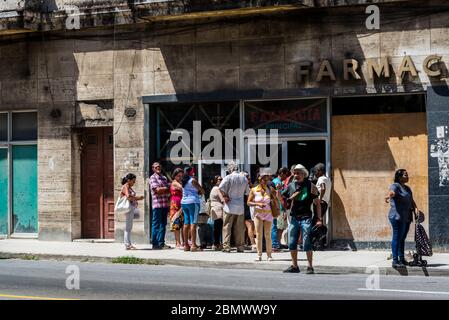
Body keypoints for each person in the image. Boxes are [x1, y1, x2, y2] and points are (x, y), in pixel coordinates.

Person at [283, 164, 322, 274]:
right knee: (291, 242)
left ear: (304, 174)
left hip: (306, 218)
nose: (295, 175)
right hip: (294, 217)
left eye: (298, 173)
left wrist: (319, 218)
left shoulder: (311, 186)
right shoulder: (291, 186)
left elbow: (317, 204)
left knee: (307, 243)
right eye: (294, 173)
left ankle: (310, 267)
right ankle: (294, 266)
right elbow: (285, 200)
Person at [385, 169, 419, 268]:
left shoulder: (407, 188)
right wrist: (388, 196)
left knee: (402, 238)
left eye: (407, 175)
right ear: (399, 177)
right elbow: (392, 192)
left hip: (407, 217)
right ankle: (395, 261)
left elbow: (411, 200)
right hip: (397, 217)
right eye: (405, 175)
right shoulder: (395, 186)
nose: (407, 177)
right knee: (397, 237)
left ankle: (401, 259)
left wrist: (416, 209)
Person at [247, 168, 280, 261]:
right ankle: (259, 255)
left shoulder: (270, 189)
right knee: (258, 234)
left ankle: (269, 255)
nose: (266, 182)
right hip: (258, 214)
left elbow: (277, 200)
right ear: (259, 179)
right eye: (264, 180)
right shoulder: (254, 190)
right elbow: (248, 202)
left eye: (267, 180)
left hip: (268, 214)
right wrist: (257, 204)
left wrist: (277, 192)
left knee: (267, 235)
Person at [219, 162, 249, 253]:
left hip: (229, 205)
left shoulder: (228, 177)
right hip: (240, 206)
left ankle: (226, 247)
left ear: (230, 169)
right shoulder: (244, 178)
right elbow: (247, 192)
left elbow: (220, 188)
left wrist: (224, 196)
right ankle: (240, 247)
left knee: (227, 226)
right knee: (240, 227)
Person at [181, 166, 205, 252]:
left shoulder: (183, 180)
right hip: (193, 202)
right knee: (193, 223)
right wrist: (200, 191)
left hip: (184, 202)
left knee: (186, 223)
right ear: (191, 172)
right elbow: (202, 190)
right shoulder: (193, 180)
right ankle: (194, 245)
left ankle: (186, 245)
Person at [149, 162, 171, 250]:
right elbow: (157, 190)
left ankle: (161, 243)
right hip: (157, 205)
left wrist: (164, 189)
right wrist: (167, 188)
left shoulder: (164, 178)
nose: (158, 168)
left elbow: (166, 191)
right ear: (153, 169)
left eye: (159, 166)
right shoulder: (152, 177)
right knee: (156, 225)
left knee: (163, 224)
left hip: (165, 204)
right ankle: (155, 244)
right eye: (156, 167)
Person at [120, 173, 144, 250]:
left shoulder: (129, 187)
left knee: (129, 227)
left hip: (131, 208)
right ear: (129, 180)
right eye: (133, 181)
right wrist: (138, 198)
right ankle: (127, 244)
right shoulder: (126, 186)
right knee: (128, 227)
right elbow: (128, 197)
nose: (134, 183)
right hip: (128, 209)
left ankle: (128, 244)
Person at [271, 167, 290, 251]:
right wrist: (283, 207)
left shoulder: (277, 181)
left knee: (281, 227)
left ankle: (278, 243)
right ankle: (276, 244)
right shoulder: (277, 182)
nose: (286, 176)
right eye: (286, 174)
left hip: (279, 207)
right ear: (282, 173)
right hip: (279, 207)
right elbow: (279, 196)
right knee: (279, 226)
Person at [314, 163, 332, 249]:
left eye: (316, 171)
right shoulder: (327, 179)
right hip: (325, 203)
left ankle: (319, 242)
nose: (315, 173)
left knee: (316, 221)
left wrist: (319, 200)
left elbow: (323, 188)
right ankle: (320, 243)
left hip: (320, 203)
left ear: (320, 171)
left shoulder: (321, 179)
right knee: (317, 221)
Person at [169, 168, 185, 250]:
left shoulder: (180, 182)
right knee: (176, 224)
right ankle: (177, 243)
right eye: (179, 176)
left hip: (182, 205)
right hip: (175, 205)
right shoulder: (175, 183)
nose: (180, 177)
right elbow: (183, 188)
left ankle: (183, 242)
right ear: (175, 176)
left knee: (183, 224)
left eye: (182, 176)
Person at [209, 176, 225, 251]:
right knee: (218, 227)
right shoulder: (217, 188)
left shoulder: (214, 188)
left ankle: (216, 243)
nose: (222, 180)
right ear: (216, 181)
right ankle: (217, 244)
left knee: (217, 227)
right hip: (218, 209)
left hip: (215, 208)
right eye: (220, 179)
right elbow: (222, 199)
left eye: (222, 179)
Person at [243, 172, 257, 252]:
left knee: (248, 227)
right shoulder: (247, 187)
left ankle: (247, 243)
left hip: (246, 207)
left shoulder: (248, 186)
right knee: (250, 226)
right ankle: (253, 244)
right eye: (248, 178)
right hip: (247, 207)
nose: (249, 179)